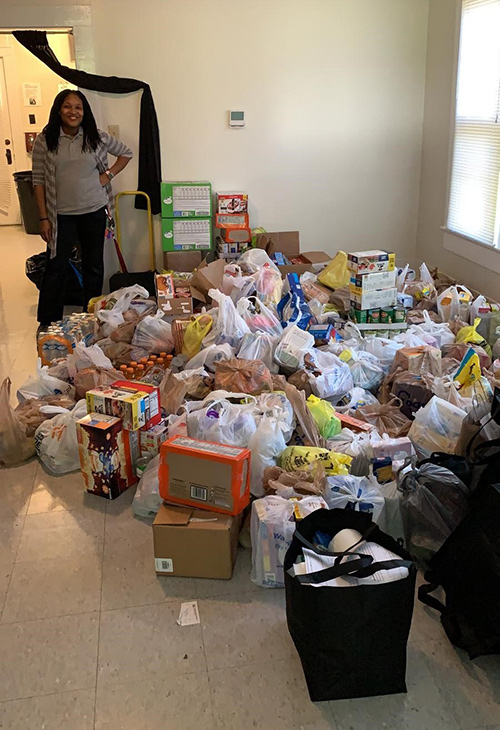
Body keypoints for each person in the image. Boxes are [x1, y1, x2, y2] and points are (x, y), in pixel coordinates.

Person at [32, 89, 133, 327]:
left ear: (84, 112)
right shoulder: (45, 139)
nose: (73, 112)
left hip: (94, 211)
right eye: (68, 106)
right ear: (59, 109)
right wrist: (43, 218)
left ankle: (90, 315)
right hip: (60, 216)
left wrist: (107, 176)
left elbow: (126, 153)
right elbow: (38, 180)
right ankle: (49, 321)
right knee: (56, 266)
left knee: (94, 266)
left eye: (78, 107)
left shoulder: (96, 137)